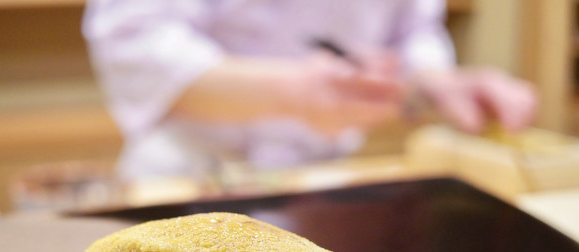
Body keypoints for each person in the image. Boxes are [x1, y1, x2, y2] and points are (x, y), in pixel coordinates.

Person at [82, 0, 537, 180]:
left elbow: (414, 34)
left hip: (324, 179)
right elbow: (132, 40)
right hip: (190, 173)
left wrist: (441, 84)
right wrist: (291, 93)